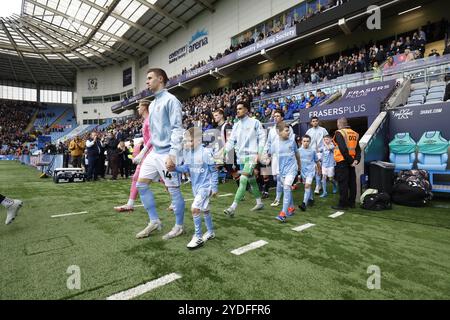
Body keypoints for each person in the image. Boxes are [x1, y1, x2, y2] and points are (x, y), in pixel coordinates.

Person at [134, 68, 185, 240]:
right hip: (154, 153)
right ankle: (154, 221)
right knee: (141, 185)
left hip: (166, 154)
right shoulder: (154, 103)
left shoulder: (171, 101)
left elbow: (178, 129)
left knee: (174, 192)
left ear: (160, 79)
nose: (147, 81)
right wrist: (144, 153)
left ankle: (179, 226)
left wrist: (172, 154)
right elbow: (153, 135)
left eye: (150, 78)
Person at [169, 127, 218, 249]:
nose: (186, 143)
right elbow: (186, 168)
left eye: (189, 141)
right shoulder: (187, 152)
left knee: (195, 209)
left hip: (205, 187)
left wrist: (215, 187)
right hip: (195, 187)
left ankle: (198, 237)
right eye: (185, 141)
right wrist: (174, 168)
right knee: (205, 209)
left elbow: (214, 171)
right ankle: (211, 232)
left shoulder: (206, 152)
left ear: (198, 140)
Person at [223, 100, 266, 217]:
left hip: (252, 156)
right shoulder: (236, 125)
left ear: (247, 110)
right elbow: (231, 141)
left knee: (243, 179)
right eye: (237, 109)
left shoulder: (255, 122)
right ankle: (259, 203)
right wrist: (223, 152)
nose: (238, 111)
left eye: (240, 108)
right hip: (241, 158)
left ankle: (232, 207)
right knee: (251, 180)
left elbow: (262, 137)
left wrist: (260, 152)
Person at [114, 100, 153, 212]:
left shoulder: (149, 120)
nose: (138, 109)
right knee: (136, 177)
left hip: (152, 155)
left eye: (139, 106)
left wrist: (143, 151)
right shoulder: (146, 120)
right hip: (148, 155)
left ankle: (175, 202)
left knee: (165, 180)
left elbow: (153, 137)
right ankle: (130, 204)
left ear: (145, 107)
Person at [263, 110, 294, 207]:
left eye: (278, 116)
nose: (275, 117)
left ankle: (278, 198)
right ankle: (287, 190)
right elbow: (268, 143)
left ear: (282, 117)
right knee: (276, 177)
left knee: (281, 177)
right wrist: (265, 153)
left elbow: (292, 141)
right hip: (275, 157)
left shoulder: (288, 128)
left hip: (286, 156)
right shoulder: (272, 130)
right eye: (274, 116)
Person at [271, 122, 300, 223]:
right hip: (282, 171)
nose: (289, 132)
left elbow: (297, 155)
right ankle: (291, 207)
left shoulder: (292, 142)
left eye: (289, 130)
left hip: (292, 169)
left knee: (287, 187)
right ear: (279, 132)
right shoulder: (275, 144)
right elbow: (270, 157)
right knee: (287, 189)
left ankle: (283, 214)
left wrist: (299, 166)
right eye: (286, 130)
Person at [332, 117, 361, 210]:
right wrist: (356, 160)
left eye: (337, 124)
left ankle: (342, 204)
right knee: (352, 183)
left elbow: (343, 149)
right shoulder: (355, 134)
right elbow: (358, 150)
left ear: (339, 124)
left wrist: (351, 161)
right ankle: (351, 203)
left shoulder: (339, 133)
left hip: (342, 161)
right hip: (351, 162)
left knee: (343, 183)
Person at [305, 116, 328, 195]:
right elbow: (306, 142)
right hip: (311, 153)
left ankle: (318, 186)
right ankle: (318, 185)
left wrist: (324, 149)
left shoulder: (323, 130)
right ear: (311, 123)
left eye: (316, 121)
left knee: (318, 169)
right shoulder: (309, 131)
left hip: (320, 153)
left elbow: (327, 140)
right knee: (313, 170)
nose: (314, 122)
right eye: (313, 121)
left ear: (318, 121)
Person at [298, 135, 321, 211]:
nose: (306, 143)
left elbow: (317, 161)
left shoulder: (313, 151)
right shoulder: (298, 151)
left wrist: (319, 170)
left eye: (307, 141)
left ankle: (304, 204)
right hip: (303, 172)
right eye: (304, 141)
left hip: (311, 171)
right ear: (301, 141)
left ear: (310, 142)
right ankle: (311, 199)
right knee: (307, 186)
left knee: (307, 186)